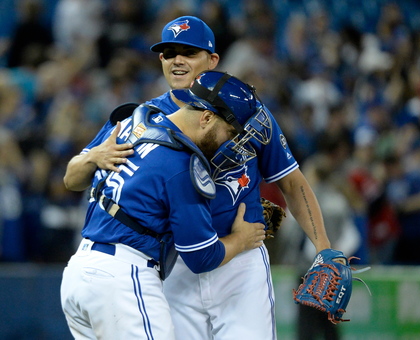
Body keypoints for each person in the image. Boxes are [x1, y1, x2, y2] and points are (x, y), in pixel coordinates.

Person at [147, 16, 332, 339]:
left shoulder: (248, 112)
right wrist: (91, 158)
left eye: (189, 52)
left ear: (212, 60)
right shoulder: (146, 119)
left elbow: (291, 181)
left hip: (240, 266)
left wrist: (323, 247)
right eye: (169, 52)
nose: (178, 60)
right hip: (177, 263)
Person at [60, 70, 267, 339]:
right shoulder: (182, 166)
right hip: (123, 280)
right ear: (206, 118)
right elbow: (201, 257)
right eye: (229, 131)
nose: (230, 141)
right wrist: (242, 238)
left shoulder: (133, 121)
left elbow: (70, 179)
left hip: (78, 274)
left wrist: (91, 158)